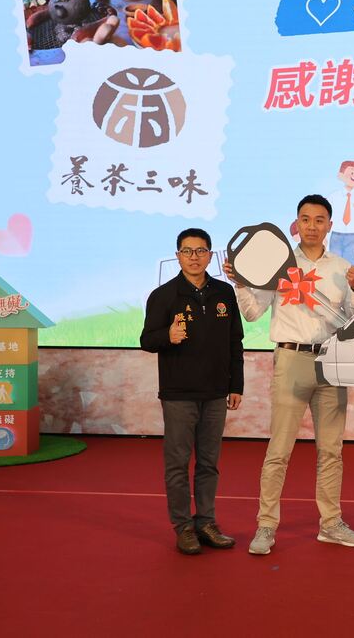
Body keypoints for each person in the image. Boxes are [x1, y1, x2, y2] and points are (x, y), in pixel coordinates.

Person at [226, 195, 354, 555]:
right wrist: (240, 283)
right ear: (296, 223)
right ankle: (266, 526)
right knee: (279, 449)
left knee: (331, 450)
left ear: (329, 225)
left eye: (319, 220)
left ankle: (331, 523)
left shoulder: (342, 268)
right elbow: (253, 313)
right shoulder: (279, 265)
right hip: (290, 360)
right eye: (305, 219)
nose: (312, 226)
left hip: (331, 362)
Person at [140, 228, 244, 555]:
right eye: (187, 251)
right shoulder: (163, 296)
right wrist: (167, 336)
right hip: (178, 394)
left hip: (215, 393)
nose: (194, 257)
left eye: (200, 251)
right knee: (178, 464)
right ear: (178, 256)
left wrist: (236, 385)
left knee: (209, 463)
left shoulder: (224, 293)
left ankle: (206, 523)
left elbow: (235, 342)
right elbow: (146, 340)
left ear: (210, 255)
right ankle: (183, 527)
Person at [328, 160, 354, 265]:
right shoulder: (333, 197)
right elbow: (326, 217)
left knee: (350, 266)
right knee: (334, 264)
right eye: (352, 173)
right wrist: (323, 237)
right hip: (336, 235)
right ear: (341, 175)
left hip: (353, 237)